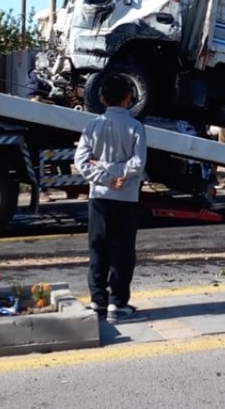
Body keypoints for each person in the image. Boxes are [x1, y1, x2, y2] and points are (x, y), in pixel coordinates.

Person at [74, 74, 147, 323]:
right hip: (127, 197)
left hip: (99, 196)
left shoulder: (92, 126)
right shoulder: (136, 127)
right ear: (129, 98)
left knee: (98, 247)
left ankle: (97, 301)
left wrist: (104, 173)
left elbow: (81, 162)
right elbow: (138, 163)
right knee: (123, 251)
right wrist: (119, 175)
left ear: (102, 98)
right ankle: (118, 303)